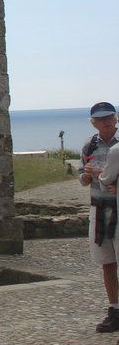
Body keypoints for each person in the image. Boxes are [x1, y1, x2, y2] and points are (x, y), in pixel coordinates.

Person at [80, 101, 119, 332]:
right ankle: (114, 309)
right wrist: (86, 175)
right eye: (101, 118)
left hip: (117, 207)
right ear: (94, 123)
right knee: (106, 262)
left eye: (110, 117)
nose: (107, 121)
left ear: (116, 118)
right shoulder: (89, 145)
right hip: (98, 208)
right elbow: (82, 180)